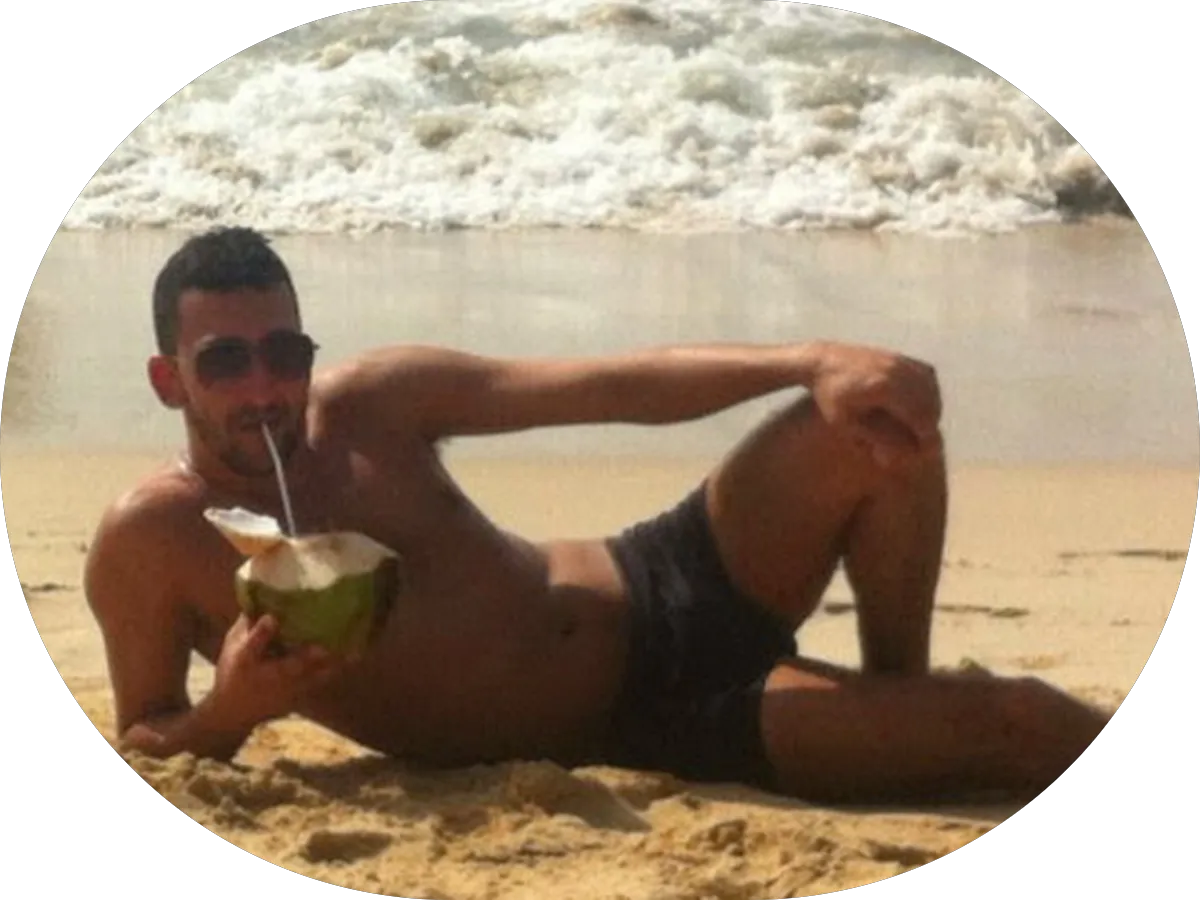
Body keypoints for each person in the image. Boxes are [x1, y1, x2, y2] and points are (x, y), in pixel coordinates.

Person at [82, 226, 1109, 804]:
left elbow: (612, 384)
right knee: (1012, 720)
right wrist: (232, 710)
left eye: (284, 352)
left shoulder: (375, 404)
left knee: (881, 420)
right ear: (170, 380)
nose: (265, 386)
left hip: (667, 573)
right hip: (645, 721)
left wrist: (812, 361)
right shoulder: (153, 538)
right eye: (226, 361)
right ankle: (917, 727)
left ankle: (898, 688)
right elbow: (149, 741)